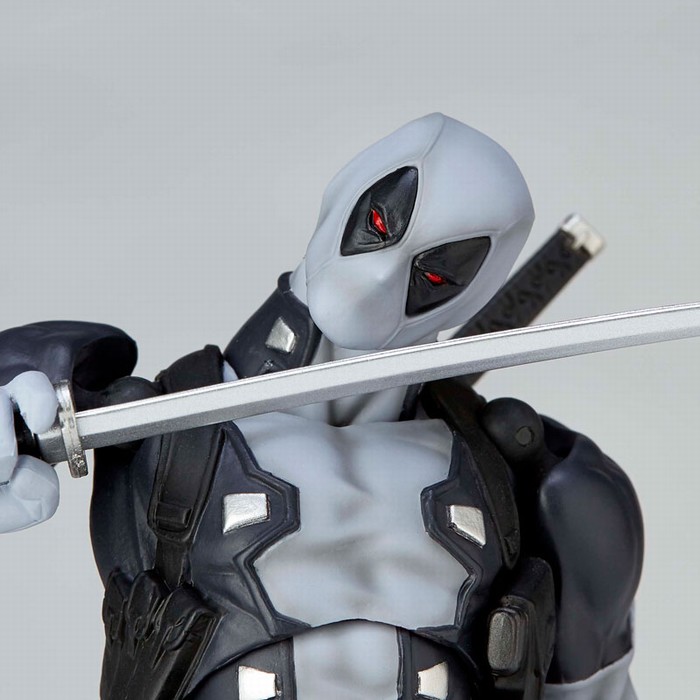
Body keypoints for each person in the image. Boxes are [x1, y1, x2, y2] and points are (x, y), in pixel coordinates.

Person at [0, 114, 642, 699]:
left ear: (474, 298)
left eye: (434, 276)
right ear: (343, 195)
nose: (381, 277)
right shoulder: (150, 429)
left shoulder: (533, 483)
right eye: (380, 227)